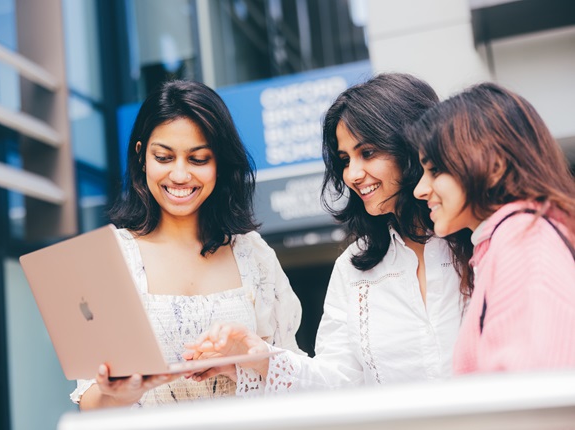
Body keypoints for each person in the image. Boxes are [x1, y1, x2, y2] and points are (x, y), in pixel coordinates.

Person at [186, 73, 472, 393]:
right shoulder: (353, 268)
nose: (352, 174)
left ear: (412, 145)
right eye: (345, 160)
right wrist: (259, 358)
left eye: (368, 153)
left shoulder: (479, 240)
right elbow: (335, 381)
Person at [70, 80, 303, 409]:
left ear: (220, 163)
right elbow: (89, 403)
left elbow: (293, 381)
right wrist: (118, 393)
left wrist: (246, 361)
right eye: (164, 157)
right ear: (141, 156)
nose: (179, 176)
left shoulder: (254, 255)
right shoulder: (113, 257)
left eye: (198, 159)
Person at [409, 82, 575, 373]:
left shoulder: (524, 240)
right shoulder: (512, 238)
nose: (420, 190)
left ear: (494, 165)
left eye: (435, 170)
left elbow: (538, 394)